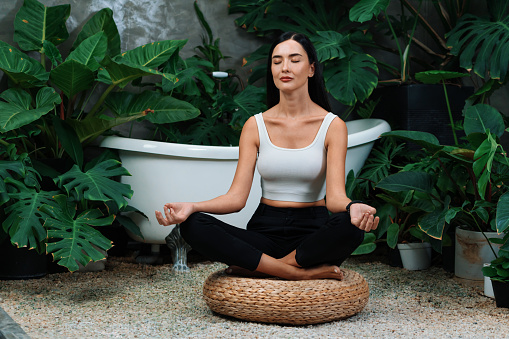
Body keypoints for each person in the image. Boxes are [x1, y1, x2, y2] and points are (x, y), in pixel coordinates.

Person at [155, 32, 379, 281]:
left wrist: (352, 207)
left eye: (295, 60)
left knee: (352, 226)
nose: (285, 67)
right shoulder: (255, 125)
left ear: (311, 69)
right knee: (193, 225)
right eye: (277, 60)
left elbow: (335, 199)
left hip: (311, 235)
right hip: (264, 231)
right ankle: (295, 274)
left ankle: (262, 268)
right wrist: (192, 206)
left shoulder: (332, 125)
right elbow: (236, 198)